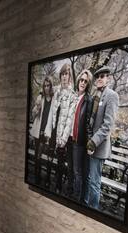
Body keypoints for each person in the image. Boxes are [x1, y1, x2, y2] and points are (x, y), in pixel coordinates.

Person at [84, 66, 119, 209]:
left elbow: (107, 125)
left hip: (98, 146)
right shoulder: (95, 95)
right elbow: (90, 122)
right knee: (88, 179)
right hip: (89, 144)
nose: (99, 78)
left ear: (108, 79)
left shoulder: (111, 95)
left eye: (103, 76)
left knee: (94, 182)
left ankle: (93, 210)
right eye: (97, 76)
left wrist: (92, 142)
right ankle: (86, 205)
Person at [48, 63, 77, 194]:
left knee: (60, 162)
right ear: (60, 76)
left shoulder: (72, 95)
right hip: (53, 131)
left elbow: (70, 120)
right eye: (63, 74)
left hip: (62, 134)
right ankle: (49, 181)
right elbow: (51, 112)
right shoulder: (56, 91)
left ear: (69, 77)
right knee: (50, 157)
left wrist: (64, 139)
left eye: (67, 74)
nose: (64, 76)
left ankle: (58, 186)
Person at [70, 69, 93, 202]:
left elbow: (88, 123)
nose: (83, 82)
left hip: (79, 141)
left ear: (88, 84)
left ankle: (76, 199)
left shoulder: (87, 100)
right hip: (69, 138)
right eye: (81, 80)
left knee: (78, 172)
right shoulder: (74, 97)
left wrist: (89, 143)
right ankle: (72, 193)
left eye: (86, 81)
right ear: (78, 80)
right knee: (72, 170)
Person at [29, 76, 55, 185]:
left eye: (48, 85)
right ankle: (37, 178)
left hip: (48, 133)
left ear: (51, 86)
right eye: (44, 86)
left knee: (48, 158)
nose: (46, 88)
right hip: (38, 132)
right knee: (37, 157)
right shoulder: (41, 98)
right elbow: (33, 114)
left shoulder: (54, 99)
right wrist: (37, 106)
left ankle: (47, 180)